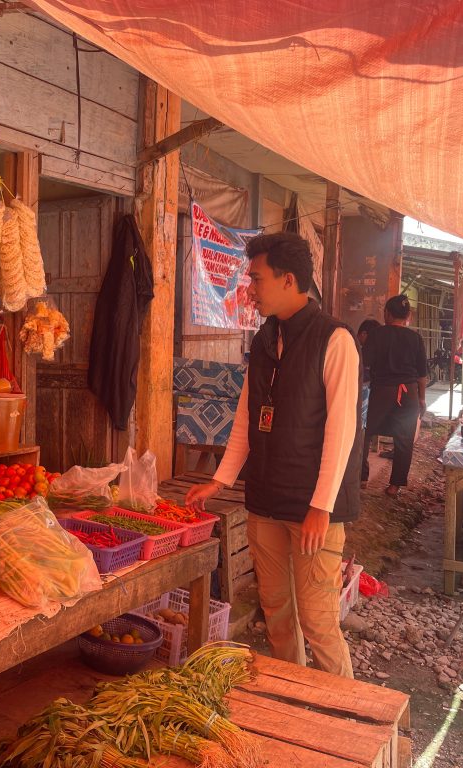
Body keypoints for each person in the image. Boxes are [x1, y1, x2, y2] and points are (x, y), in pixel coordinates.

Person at [186, 231, 361, 678]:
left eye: (257, 278)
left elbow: (341, 432)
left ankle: (348, 718)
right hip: (264, 501)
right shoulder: (265, 340)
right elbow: (246, 419)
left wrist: (321, 506)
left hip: (310, 508)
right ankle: (295, 700)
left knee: (318, 620)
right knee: (277, 613)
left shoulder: (334, 339)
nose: (250, 288)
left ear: (288, 280)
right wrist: (220, 480)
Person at [362, 295, 428, 498]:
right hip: (409, 393)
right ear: (408, 315)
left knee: (364, 432)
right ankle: (394, 486)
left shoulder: (377, 334)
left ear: (386, 314)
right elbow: (422, 375)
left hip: (383, 391)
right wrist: (422, 399)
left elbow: (365, 363)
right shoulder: (416, 338)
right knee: (404, 439)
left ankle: (361, 478)